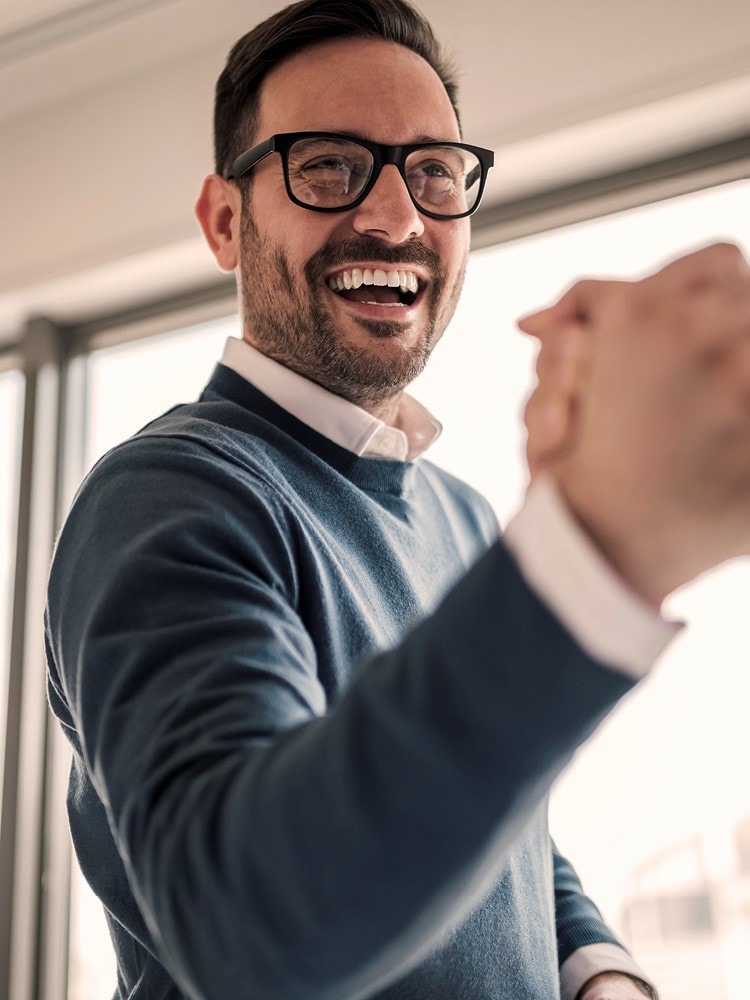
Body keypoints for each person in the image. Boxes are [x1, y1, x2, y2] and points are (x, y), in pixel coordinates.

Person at [44, 1, 750, 998]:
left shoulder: (459, 513)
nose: (395, 217)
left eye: (433, 172)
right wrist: (598, 543)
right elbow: (247, 932)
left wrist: (600, 974)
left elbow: (492, 824)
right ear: (223, 221)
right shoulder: (168, 497)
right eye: (329, 164)